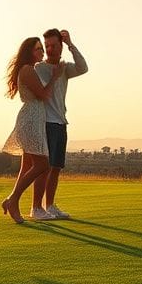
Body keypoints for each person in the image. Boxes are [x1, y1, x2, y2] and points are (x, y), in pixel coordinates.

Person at [0, 37, 65, 224]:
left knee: (27, 166)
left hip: (35, 118)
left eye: (41, 50)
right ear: (29, 51)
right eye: (38, 49)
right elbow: (44, 95)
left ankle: (12, 201)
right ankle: (12, 200)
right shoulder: (27, 70)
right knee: (43, 164)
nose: (42, 53)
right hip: (31, 119)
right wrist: (55, 76)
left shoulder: (29, 69)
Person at [30, 28, 88, 220]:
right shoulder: (39, 68)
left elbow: (83, 67)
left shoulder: (65, 69)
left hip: (61, 123)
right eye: (47, 46)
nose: (50, 49)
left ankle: (50, 206)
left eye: (54, 45)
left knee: (55, 167)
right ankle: (36, 208)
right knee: (44, 168)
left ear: (61, 47)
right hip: (46, 123)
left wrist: (71, 44)